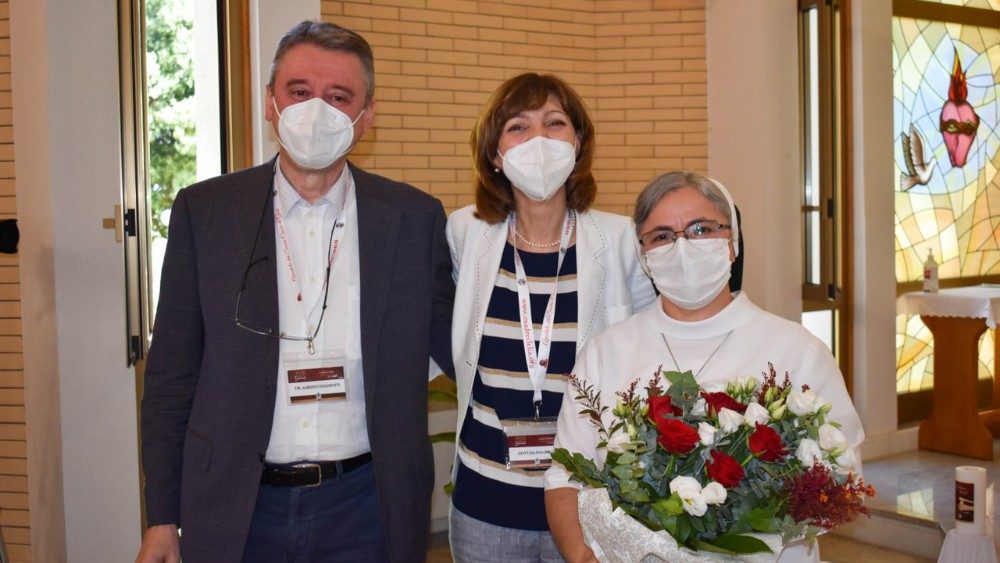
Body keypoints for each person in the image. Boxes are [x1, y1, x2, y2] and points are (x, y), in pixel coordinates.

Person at [135, 20, 454, 563]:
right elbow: (170, 379)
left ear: (366, 117)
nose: (317, 111)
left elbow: (462, 345)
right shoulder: (206, 212)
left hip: (369, 507)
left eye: (339, 97)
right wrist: (161, 518)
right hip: (235, 504)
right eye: (300, 92)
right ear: (270, 103)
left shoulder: (413, 218)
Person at [543, 171, 864, 563]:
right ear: (644, 257)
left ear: (732, 243)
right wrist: (583, 558)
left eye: (702, 229)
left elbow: (841, 480)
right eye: (662, 236)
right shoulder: (606, 352)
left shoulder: (797, 349)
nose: (682, 246)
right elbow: (564, 475)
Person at [446, 72, 657, 562]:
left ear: (578, 143)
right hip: (485, 503)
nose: (538, 139)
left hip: (592, 502)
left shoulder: (621, 240)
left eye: (555, 123)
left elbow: (652, 355)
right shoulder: (466, 233)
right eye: (518, 127)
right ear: (495, 153)